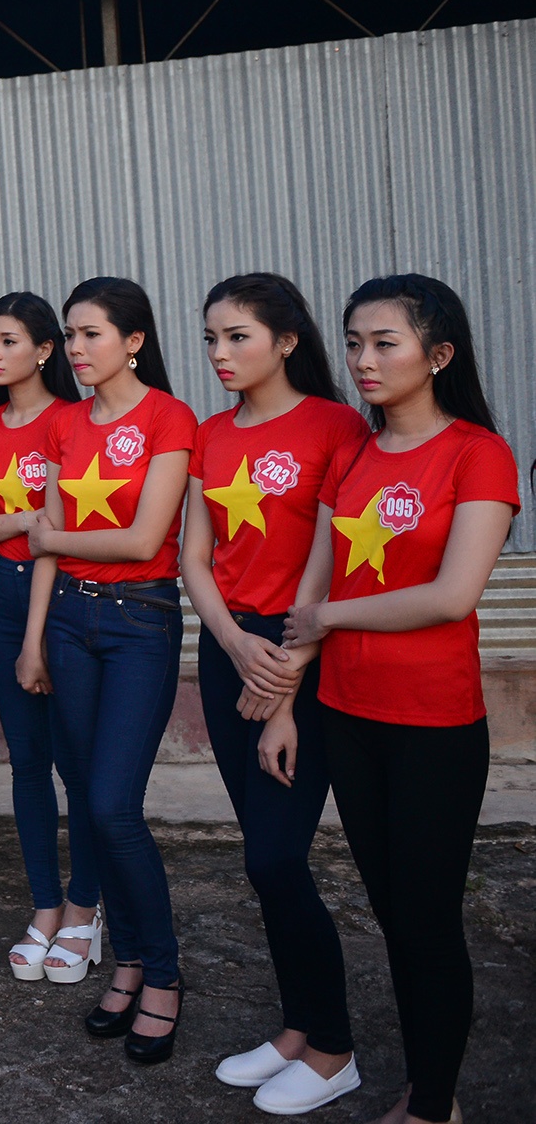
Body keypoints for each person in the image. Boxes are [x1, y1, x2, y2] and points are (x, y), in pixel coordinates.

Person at [279, 275, 518, 1124]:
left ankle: (432, 1105)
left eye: (385, 342)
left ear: (438, 354)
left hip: (433, 726)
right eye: (353, 342)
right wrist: (285, 699)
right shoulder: (352, 453)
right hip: (347, 715)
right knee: (390, 912)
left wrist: (329, 617)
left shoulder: (477, 453)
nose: (363, 359)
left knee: (426, 920)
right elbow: (316, 579)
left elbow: (453, 595)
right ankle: (426, 1086)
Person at [178, 273, 369, 1113]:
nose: (219, 353)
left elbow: (334, 562)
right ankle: (298, 1029)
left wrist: (284, 683)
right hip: (232, 649)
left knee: (277, 856)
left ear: (286, 341)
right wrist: (231, 644)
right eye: (211, 338)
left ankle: (334, 1050)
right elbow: (194, 557)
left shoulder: (337, 426)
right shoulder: (211, 435)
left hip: (302, 653)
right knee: (262, 855)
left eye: (238, 336)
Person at [29, 276, 196, 1065]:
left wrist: (51, 540)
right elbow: (47, 537)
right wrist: (34, 636)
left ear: (134, 341)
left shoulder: (168, 417)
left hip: (139, 623)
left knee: (114, 807)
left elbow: (143, 540)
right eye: (70, 334)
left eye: (91, 333)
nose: (76, 348)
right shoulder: (63, 422)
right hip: (68, 621)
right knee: (89, 805)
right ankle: (126, 961)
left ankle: (162, 973)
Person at [0, 293, 92, 981]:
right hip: (9, 592)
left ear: (45, 350)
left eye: (9, 340)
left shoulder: (71, 421)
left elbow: (59, 535)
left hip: (64, 594)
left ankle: (85, 904)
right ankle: (45, 904)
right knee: (26, 763)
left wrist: (35, 638)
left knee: (79, 764)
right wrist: (23, 522)